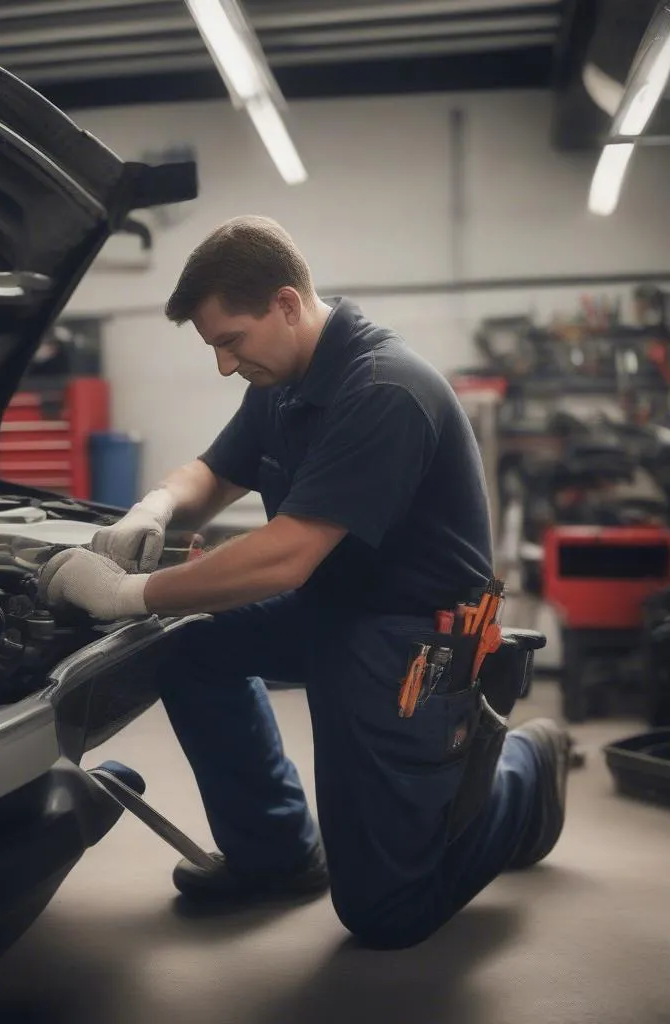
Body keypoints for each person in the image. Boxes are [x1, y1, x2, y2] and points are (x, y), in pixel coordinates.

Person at [39, 215, 572, 950]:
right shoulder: (282, 383)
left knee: (387, 913)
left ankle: (524, 772)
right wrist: (153, 506)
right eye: (213, 348)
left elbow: (288, 553)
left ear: (287, 304)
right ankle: (278, 853)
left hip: (408, 638)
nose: (225, 365)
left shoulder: (384, 390)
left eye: (232, 342)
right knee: (192, 651)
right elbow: (217, 471)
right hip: (333, 608)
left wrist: (127, 594)